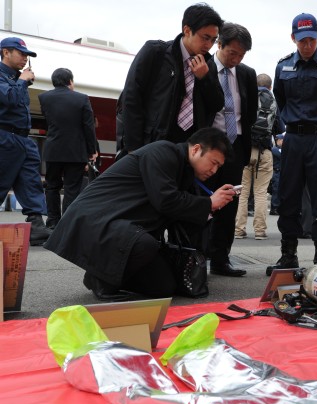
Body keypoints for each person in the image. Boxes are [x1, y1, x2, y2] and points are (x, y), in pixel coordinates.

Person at [44, 128, 236, 300]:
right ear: (195, 149)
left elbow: (180, 212)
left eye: (219, 166)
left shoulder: (185, 170)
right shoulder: (163, 152)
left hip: (122, 226)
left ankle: (102, 273)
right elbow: (166, 201)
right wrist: (209, 202)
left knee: (163, 287)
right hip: (96, 220)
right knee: (144, 245)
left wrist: (209, 207)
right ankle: (102, 280)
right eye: (213, 162)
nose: (214, 170)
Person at [266, 12, 317, 275]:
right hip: (293, 139)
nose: (307, 45)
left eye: (312, 39)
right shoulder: (282, 67)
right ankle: (288, 255)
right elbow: (280, 98)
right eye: (302, 41)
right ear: (293, 38)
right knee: (288, 194)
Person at [117, 3, 224, 152]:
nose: (209, 44)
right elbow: (131, 98)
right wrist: (134, 149)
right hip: (151, 143)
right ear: (187, 30)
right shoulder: (156, 52)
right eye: (205, 38)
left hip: (189, 147)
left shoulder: (208, 65)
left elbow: (217, 105)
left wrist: (205, 78)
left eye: (213, 39)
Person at [205, 22, 258, 277]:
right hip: (206, 147)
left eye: (241, 55)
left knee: (228, 205)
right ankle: (193, 255)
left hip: (234, 146)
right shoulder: (203, 66)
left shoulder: (247, 74)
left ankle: (220, 259)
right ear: (219, 45)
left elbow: (249, 115)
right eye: (232, 53)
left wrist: (245, 149)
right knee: (202, 201)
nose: (236, 59)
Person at [0, 37, 52, 246]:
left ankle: (36, 224)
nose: (25, 58)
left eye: (27, 55)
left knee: (30, 179)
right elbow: (8, 100)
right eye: (21, 53)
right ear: (5, 52)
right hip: (4, 136)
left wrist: (22, 81)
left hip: (22, 137)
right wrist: (22, 80)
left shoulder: (16, 78)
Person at [38, 68, 98, 230]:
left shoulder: (44, 98)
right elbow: (88, 127)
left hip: (53, 150)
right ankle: (66, 225)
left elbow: (49, 121)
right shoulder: (82, 99)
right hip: (75, 151)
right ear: (70, 81)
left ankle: (52, 222)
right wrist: (92, 150)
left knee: (52, 186)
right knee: (72, 189)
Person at [235, 73, 284, 240]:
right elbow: (279, 129)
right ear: (269, 87)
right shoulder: (273, 101)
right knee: (261, 193)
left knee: (242, 192)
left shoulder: (247, 97)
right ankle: (260, 231)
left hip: (246, 150)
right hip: (265, 151)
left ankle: (239, 230)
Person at [269, 133, 284, 215]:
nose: (282, 141)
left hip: (281, 172)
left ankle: (278, 207)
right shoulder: (274, 149)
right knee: (276, 190)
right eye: (281, 140)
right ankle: (274, 208)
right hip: (277, 171)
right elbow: (280, 155)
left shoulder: (282, 149)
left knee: (280, 190)